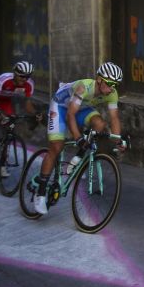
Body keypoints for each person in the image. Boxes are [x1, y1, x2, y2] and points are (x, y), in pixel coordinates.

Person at [32, 62, 128, 215]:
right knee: (57, 147)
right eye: (109, 83)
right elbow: (70, 115)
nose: (111, 88)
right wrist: (78, 138)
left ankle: (77, 159)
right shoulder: (83, 87)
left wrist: (118, 141)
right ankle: (41, 192)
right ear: (99, 79)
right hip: (61, 107)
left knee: (99, 124)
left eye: (115, 85)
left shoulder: (112, 93)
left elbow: (114, 118)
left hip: (82, 108)